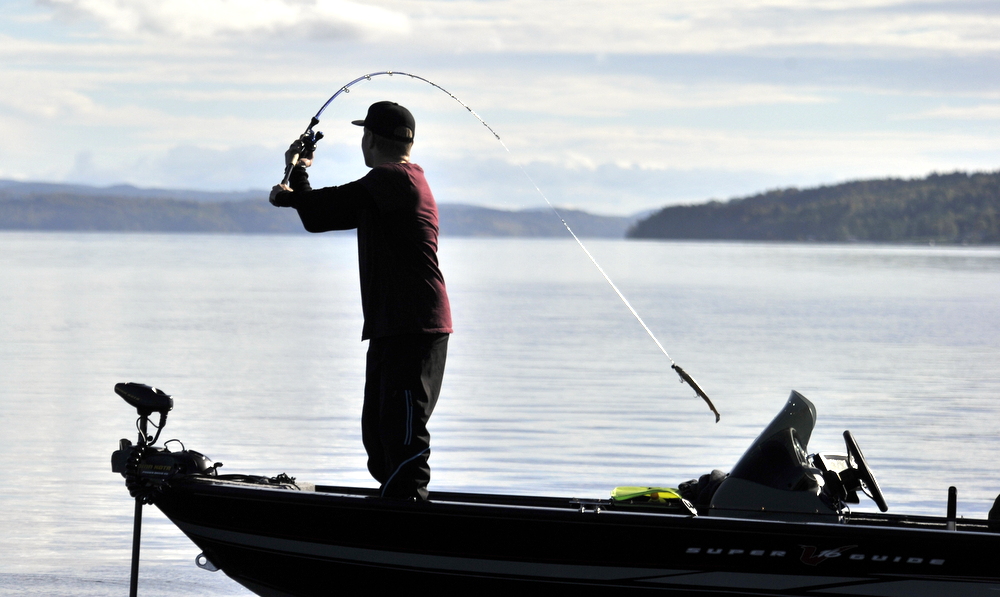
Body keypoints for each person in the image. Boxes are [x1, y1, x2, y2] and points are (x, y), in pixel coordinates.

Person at [269, 101, 452, 501]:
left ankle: (409, 513)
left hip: (415, 327)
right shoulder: (387, 188)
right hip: (395, 326)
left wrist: (293, 182)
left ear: (369, 139)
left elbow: (320, 206)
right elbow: (318, 217)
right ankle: (395, 503)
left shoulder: (393, 180)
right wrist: (297, 181)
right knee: (379, 433)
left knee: (403, 432)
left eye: (364, 135)